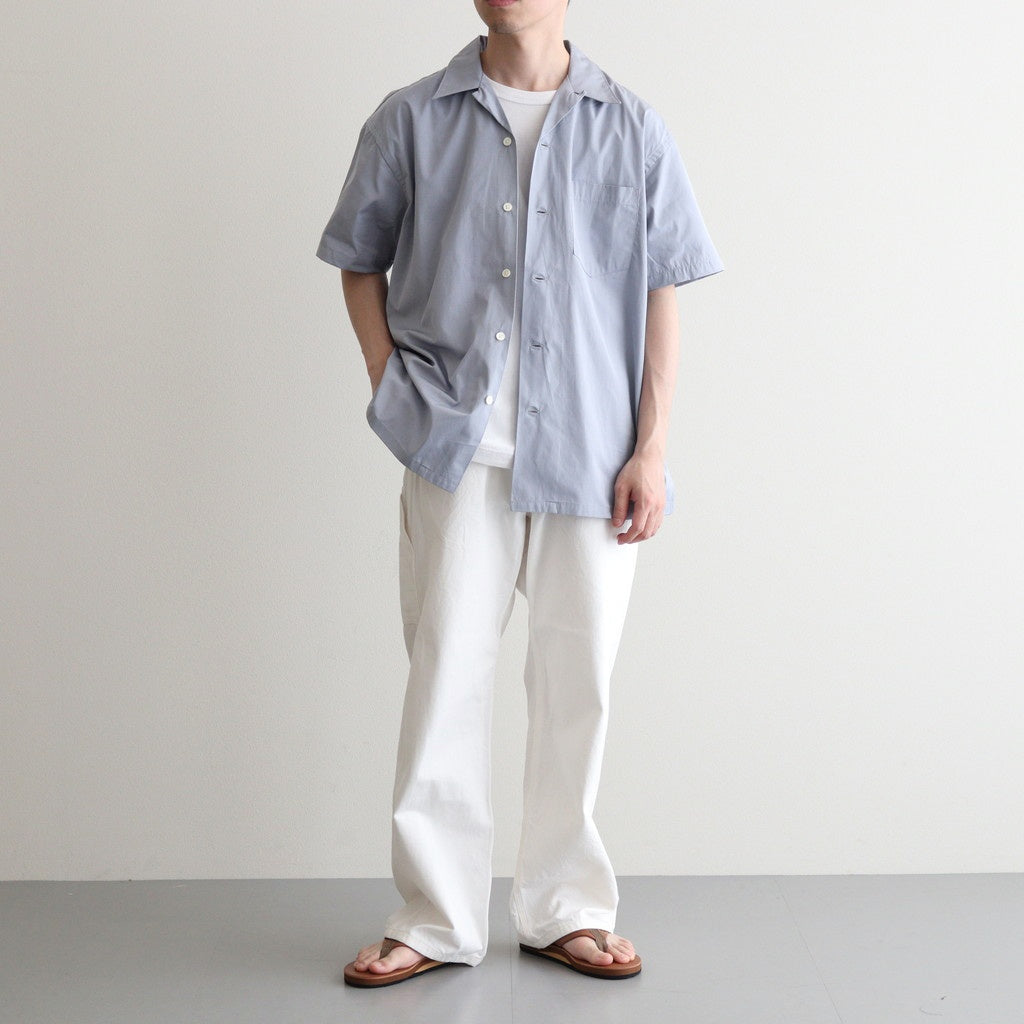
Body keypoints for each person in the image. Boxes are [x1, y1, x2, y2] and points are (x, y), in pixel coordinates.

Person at [316, 0, 722, 988]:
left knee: (577, 688)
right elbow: (359, 261)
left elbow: (662, 287)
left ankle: (566, 907)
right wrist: (391, 386)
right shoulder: (411, 118)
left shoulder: (632, 127)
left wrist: (651, 447)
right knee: (444, 680)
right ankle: (435, 915)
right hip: (457, 452)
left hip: (593, 454)